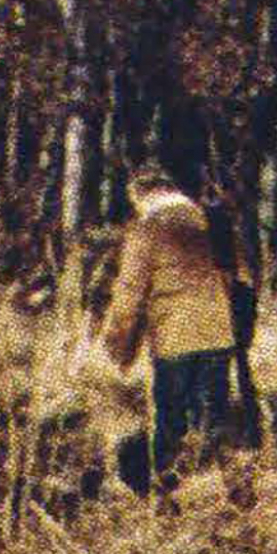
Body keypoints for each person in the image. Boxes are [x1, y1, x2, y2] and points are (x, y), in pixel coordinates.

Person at [99, 163, 248, 489]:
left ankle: (168, 492)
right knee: (213, 419)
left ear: (143, 195)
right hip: (219, 335)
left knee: (171, 422)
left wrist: (116, 348)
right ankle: (228, 487)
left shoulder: (147, 230)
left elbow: (129, 296)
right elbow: (240, 280)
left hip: (175, 340)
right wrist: (241, 336)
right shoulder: (213, 221)